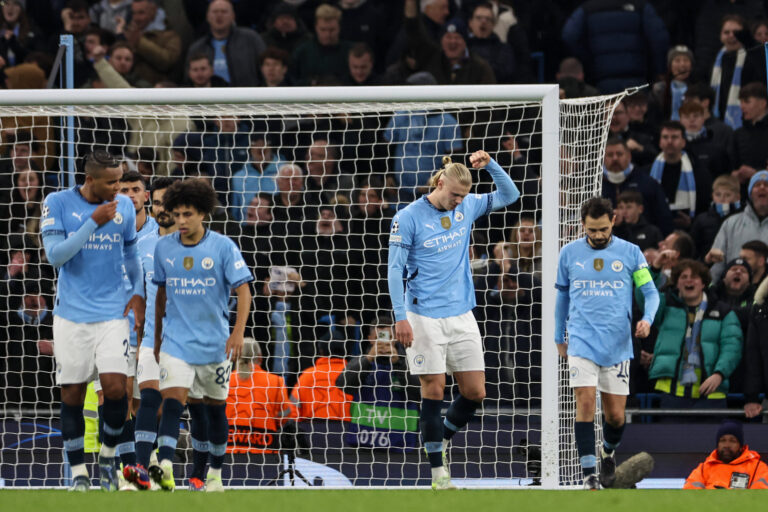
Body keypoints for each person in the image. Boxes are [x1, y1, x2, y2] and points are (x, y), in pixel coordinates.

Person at [387, 150, 520, 489]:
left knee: (475, 391)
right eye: (454, 194)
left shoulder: (467, 206)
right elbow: (394, 269)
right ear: (440, 182)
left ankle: (441, 436)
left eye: (463, 196)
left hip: (462, 313)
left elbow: (511, 195)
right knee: (434, 389)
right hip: (422, 316)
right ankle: (437, 473)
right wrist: (400, 317)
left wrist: (490, 165)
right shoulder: (408, 217)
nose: (458, 201)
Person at [40, 149, 145, 492]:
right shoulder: (57, 202)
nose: (119, 189)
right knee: (72, 394)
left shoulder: (125, 208)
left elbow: (130, 253)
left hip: (113, 314)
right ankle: (78, 473)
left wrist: (138, 293)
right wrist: (93, 221)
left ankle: (108, 455)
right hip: (71, 316)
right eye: (112, 182)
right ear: (90, 180)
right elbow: (56, 257)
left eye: (121, 181)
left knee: (117, 389)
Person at [151, 179, 253, 492]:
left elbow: (244, 291)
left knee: (212, 410)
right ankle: (165, 465)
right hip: (176, 342)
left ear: (203, 214)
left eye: (187, 214)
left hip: (215, 344)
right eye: (176, 214)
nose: (180, 221)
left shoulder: (223, 247)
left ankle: (214, 475)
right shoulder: (163, 248)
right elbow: (161, 296)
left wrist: (237, 333)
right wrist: (156, 339)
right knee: (172, 402)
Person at [555, 197, 660, 490]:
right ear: (583, 226)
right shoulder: (569, 254)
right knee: (585, 403)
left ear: (613, 220)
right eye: (592, 230)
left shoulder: (631, 253)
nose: (598, 235)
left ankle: (607, 452)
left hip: (617, 345)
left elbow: (651, 293)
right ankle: (589, 474)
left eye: (603, 229)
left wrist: (647, 320)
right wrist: (557, 336)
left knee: (614, 417)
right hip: (581, 340)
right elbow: (562, 297)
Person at [120, 176, 185, 490]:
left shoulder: (200, 242)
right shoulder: (141, 245)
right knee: (146, 399)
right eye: (158, 202)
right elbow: (135, 289)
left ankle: (169, 465)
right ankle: (141, 470)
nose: (163, 209)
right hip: (150, 338)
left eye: (168, 204)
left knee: (174, 405)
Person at [643, 258, 742, 418]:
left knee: (709, 443)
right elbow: (643, 295)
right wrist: (654, 268)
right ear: (677, 284)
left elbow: (732, 347)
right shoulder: (666, 306)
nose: (689, 280)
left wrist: (719, 374)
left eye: (694, 277)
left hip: (712, 396)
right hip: (672, 394)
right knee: (672, 443)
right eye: (683, 277)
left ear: (703, 284)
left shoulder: (724, 312)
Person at [335, 316, 421, 450]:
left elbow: (419, 394)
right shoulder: (360, 361)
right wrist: (368, 359)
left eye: (388, 337)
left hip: (400, 444)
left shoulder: (410, 363)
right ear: (370, 338)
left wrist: (398, 364)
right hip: (363, 443)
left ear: (396, 338)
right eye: (378, 338)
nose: (382, 343)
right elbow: (343, 385)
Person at [226, 338, 300, 454]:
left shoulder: (224, 382)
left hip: (227, 451)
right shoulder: (275, 381)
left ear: (236, 357)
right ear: (260, 357)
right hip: (265, 452)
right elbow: (285, 417)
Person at [403, 0, 495, 85]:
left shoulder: (479, 67)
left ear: (465, 42)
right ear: (441, 41)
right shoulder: (432, 58)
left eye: (457, 37)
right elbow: (413, 28)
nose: (452, 41)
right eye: (448, 37)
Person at [601, 137, 674, 236]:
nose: (615, 158)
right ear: (603, 158)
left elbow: (664, 218)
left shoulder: (648, 183)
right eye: (610, 155)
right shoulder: (595, 185)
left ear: (629, 156)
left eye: (619, 154)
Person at [185, 0, 266, 87]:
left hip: (246, 97)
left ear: (233, 16)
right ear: (207, 16)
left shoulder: (251, 39)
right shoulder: (197, 48)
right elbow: (188, 80)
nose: (219, 15)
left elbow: (265, 70)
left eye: (224, 12)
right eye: (215, 12)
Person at [705, 171, 768, 282]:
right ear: (750, 194)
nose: (762, 187)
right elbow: (717, 264)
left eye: (766, 185)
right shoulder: (731, 223)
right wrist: (711, 289)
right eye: (757, 185)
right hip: (736, 290)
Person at [684, 420, 768, 489]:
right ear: (717, 445)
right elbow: (689, 496)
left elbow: (759, 499)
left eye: (732, 441)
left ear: (741, 447)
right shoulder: (704, 468)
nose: (727, 445)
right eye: (723, 440)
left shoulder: (758, 468)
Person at [690, 175, 742, 260]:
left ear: (737, 197)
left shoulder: (742, 218)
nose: (722, 199)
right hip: (707, 266)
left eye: (727, 195)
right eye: (718, 194)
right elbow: (694, 249)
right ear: (712, 195)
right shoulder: (702, 220)